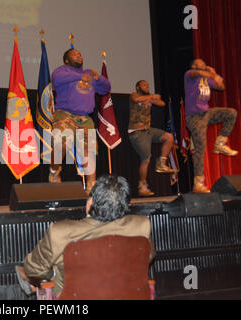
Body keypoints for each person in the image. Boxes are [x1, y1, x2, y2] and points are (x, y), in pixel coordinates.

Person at [17, 175, 155, 298]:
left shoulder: (60, 232)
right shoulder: (141, 226)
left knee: (40, 271)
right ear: (126, 204)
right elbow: (148, 257)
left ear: (90, 202)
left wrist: (52, 275)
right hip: (127, 295)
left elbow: (33, 270)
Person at [49, 48, 111, 193]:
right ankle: (54, 171)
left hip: (85, 118)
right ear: (66, 60)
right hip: (65, 114)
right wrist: (81, 76)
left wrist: (98, 78)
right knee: (62, 144)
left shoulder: (89, 73)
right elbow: (56, 80)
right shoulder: (61, 71)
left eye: (80, 54)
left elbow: (106, 88)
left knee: (88, 152)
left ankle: (91, 188)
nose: (78, 55)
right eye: (74, 54)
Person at [184, 59, 238, 193]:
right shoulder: (190, 74)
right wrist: (212, 73)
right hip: (194, 117)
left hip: (206, 113)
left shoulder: (206, 79)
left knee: (231, 113)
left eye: (203, 62)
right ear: (194, 65)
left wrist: (215, 76)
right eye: (199, 62)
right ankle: (198, 184)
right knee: (200, 148)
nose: (203, 63)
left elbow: (221, 87)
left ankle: (220, 143)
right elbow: (198, 73)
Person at [128, 80, 175, 197]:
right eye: (144, 85)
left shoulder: (149, 98)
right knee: (146, 158)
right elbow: (136, 100)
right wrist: (152, 97)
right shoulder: (134, 95)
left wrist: (153, 98)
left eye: (148, 85)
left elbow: (162, 103)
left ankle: (161, 162)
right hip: (137, 132)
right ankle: (142, 186)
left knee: (169, 137)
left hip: (148, 130)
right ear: (138, 87)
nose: (147, 86)